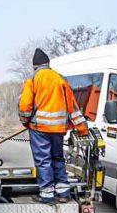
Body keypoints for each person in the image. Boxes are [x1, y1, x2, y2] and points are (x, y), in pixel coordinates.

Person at [18, 48, 89, 204]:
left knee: (43, 160)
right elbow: (73, 107)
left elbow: (24, 106)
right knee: (58, 158)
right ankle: (64, 193)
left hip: (39, 129)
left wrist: (26, 121)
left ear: (35, 66)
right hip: (58, 129)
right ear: (48, 64)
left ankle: (47, 194)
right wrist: (82, 129)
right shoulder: (60, 79)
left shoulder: (33, 80)